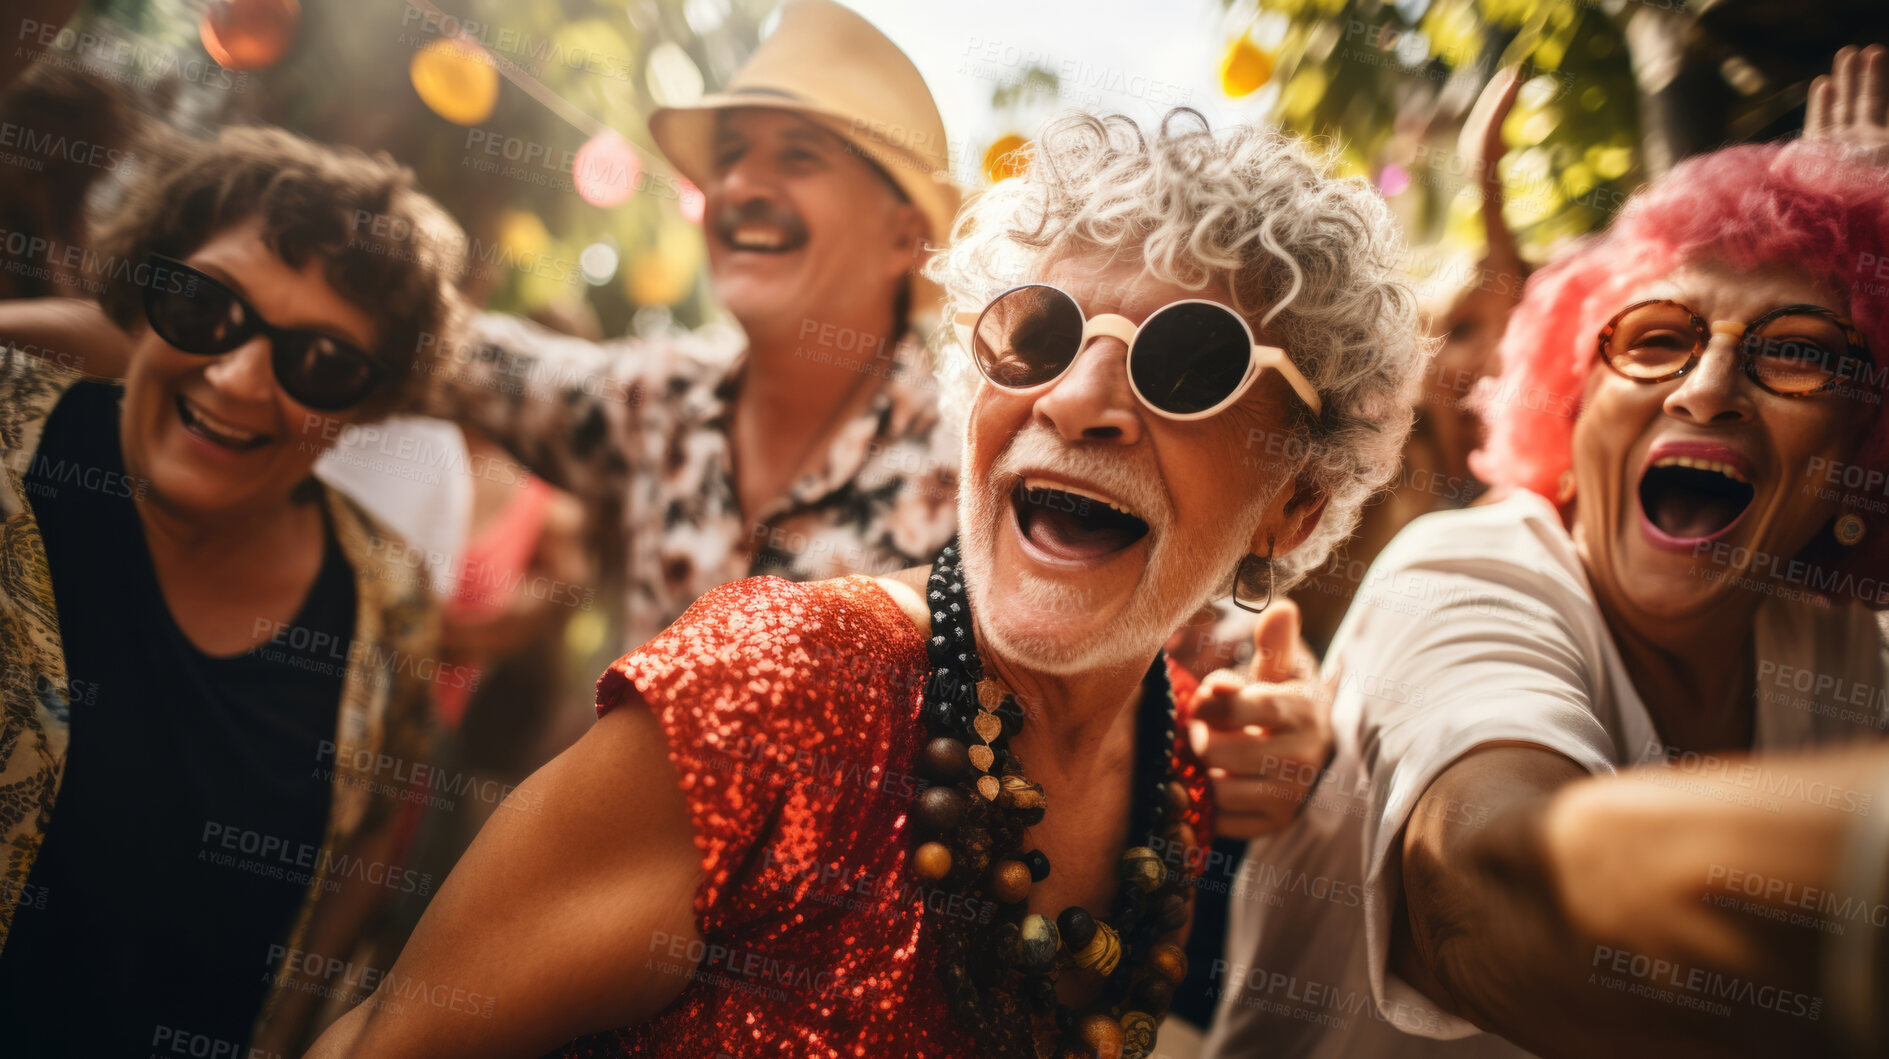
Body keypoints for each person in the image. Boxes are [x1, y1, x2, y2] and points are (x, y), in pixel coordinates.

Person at [304, 108, 1424, 1059]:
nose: (1076, 399)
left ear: (1295, 502)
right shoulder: (769, 692)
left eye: (1189, 362)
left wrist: (1302, 734)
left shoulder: (1175, 777)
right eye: (1037, 332)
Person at [1203, 130, 1889, 1058]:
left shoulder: (1837, 645)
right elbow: (1483, 891)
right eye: (1656, 339)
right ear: (1572, 404)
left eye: (1800, 354)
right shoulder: (1457, 573)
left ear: (1860, 444)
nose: (1708, 387)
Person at [0, 125, 465, 1057]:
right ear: (144, 289)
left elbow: (373, 835)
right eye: (203, 306)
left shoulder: (391, 601)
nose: (240, 377)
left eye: (321, 362)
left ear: (364, 408)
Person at [434, 0, 962, 652]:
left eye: (798, 156)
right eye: (730, 156)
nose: (739, 185)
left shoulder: (972, 474)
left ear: (903, 238)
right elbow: (448, 351)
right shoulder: (658, 396)